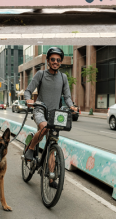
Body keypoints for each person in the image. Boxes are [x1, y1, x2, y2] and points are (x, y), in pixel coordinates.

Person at [23, 47, 78, 188]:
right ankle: (31, 148)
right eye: (52, 59)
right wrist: (29, 100)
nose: (55, 62)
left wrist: (72, 106)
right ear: (48, 61)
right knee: (44, 127)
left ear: (61, 62)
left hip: (55, 114)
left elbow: (67, 96)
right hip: (40, 109)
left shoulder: (63, 77)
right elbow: (28, 90)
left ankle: (51, 178)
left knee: (52, 144)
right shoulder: (40, 74)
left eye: (58, 60)